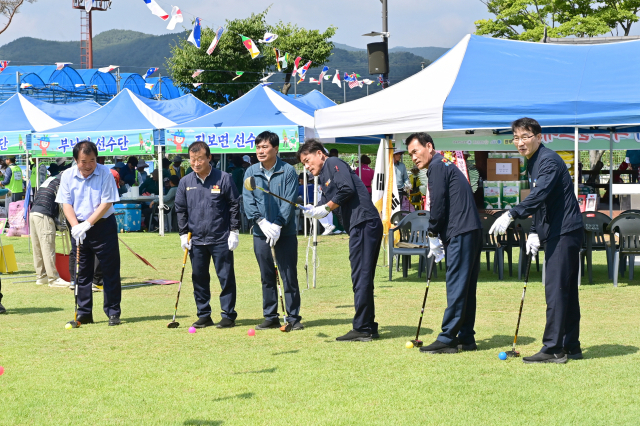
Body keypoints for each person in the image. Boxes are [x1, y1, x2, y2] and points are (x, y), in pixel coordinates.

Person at [491, 117, 583, 364]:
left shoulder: (548, 161)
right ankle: (571, 345)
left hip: (564, 232)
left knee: (555, 290)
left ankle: (554, 348)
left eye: (525, 137)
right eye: (516, 138)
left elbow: (539, 194)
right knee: (565, 291)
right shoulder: (533, 161)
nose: (520, 143)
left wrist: (512, 213)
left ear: (539, 137)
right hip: (556, 231)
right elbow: (544, 202)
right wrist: (535, 231)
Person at [406, 132, 483, 354]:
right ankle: (466, 337)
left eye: (416, 151)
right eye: (411, 154)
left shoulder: (437, 167)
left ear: (429, 146)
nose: (414, 157)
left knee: (457, 284)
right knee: (466, 286)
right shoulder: (445, 164)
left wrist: (432, 233)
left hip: (461, 229)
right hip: (468, 228)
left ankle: (448, 337)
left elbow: (437, 204)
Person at [299, 139, 382, 342]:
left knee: (361, 276)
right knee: (362, 277)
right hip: (360, 226)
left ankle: (362, 328)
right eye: (304, 165)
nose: (307, 167)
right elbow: (332, 195)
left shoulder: (333, 162)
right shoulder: (326, 173)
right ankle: (368, 325)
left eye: (308, 161)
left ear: (319, 153)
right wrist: (314, 207)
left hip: (364, 222)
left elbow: (346, 190)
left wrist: (326, 208)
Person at [56, 141, 122, 326]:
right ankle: (84, 313)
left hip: (103, 226)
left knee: (110, 270)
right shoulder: (68, 175)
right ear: (76, 160)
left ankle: (113, 312)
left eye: (92, 160)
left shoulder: (105, 173)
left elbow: (107, 202)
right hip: (78, 228)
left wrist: (88, 224)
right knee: (82, 272)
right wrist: (76, 226)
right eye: (83, 161)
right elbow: (65, 203)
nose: (88, 165)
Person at [175, 142, 240, 329]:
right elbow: (180, 209)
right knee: (199, 277)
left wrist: (234, 231)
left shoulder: (224, 178)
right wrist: (182, 234)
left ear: (209, 158)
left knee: (226, 277)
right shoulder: (185, 182)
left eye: (200, 159)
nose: (196, 163)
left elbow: (234, 205)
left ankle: (228, 315)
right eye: (193, 159)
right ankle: (204, 314)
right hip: (196, 239)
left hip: (221, 237)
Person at [243, 131, 303, 331]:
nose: (260, 151)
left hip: (284, 233)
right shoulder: (250, 171)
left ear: (276, 149)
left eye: (264, 147)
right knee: (266, 275)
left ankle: (293, 317)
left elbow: (289, 199)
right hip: (260, 233)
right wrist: (260, 222)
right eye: (258, 147)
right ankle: (270, 316)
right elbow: (248, 200)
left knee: (288, 275)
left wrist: (277, 224)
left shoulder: (288, 171)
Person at [29, 174, 70, 288]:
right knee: (48, 246)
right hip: (44, 215)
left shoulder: (50, 180)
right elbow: (64, 205)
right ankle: (53, 278)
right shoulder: (64, 182)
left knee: (37, 247)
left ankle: (41, 276)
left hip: (33, 213)